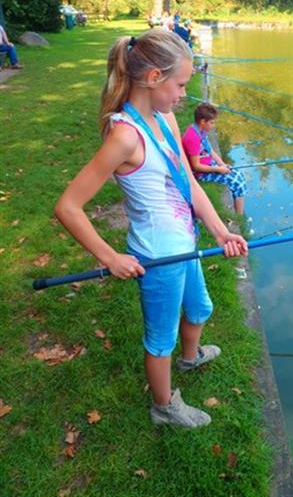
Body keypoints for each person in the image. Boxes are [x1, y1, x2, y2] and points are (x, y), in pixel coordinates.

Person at [54, 30, 247, 429]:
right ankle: (164, 406)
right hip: (158, 256)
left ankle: (190, 359)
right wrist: (110, 257)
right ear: (154, 77)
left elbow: (188, 181)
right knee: (161, 340)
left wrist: (219, 231)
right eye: (181, 85)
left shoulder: (165, 118)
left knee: (201, 308)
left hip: (185, 242)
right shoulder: (125, 136)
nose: (184, 95)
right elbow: (68, 207)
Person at [182, 103, 247, 215]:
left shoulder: (201, 131)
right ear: (203, 121)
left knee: (239, 175)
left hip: (209, 164)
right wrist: (218, 169)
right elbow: (196, 166)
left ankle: (239, 213)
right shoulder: (193, 137)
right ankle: (239, 216)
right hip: (200, 173)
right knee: (237, 183)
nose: (213, 125)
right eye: (212, 122)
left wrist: (222, 164)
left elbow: (210, 150)